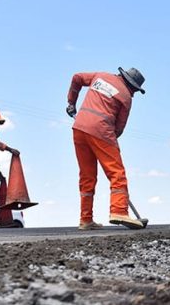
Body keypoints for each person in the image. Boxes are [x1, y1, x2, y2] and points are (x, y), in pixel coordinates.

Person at [66, 67, 146, 230]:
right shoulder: (126, 97)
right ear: (132, 86)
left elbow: (77, 78)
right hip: (102, 131)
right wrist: (104, 146)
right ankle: (119, 211)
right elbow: (119, 128)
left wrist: (71, 102)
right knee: (117, 173)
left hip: (79, 128)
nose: (134, 93)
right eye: (135, 91)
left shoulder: (100, 76)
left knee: (87, 177)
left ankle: (85, 219)